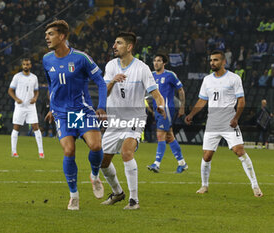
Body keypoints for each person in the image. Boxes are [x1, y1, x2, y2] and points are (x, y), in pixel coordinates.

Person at [42, 20, 107, 210]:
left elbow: (101, 83)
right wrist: (51, 108)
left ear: (62, 37)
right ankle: (74, 195)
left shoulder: (81, 58)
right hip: (62, 113)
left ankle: (94, 176)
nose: (47, 37)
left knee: (95, 146)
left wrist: (101, 107)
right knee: (69, 151)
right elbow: (51, 86)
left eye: (51, 34)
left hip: (81, 110)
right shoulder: (46, 59)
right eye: (46, 34)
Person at [100, 32, 166, 210]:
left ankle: (134, 200)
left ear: (129, 47)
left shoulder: (142, 68)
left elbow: (156, 94)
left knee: (126, 152)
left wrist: (161, 106)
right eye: (114, 42)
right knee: (102, 161)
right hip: (115, 120)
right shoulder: (111, 66)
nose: (114, 46)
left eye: (118, 43)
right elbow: (103, 93)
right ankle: (117, 193)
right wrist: (113, 81)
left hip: (134, 118)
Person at [185, 50, 263, 197]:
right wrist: (191, 114)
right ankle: (204, 185)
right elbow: (202, 100)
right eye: (211, 60)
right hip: (212, 123)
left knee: (239, 150)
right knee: (207, 156)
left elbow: (241, 100)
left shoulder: (234, 78)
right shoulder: (207, 80)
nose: (212, 63)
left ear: (223, 62)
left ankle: (255, 186)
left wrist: (236, 118)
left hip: (229, 122)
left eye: (215, 60)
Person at [147, 54, 188, 173]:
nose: (156, 63)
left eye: (159, 61)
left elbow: (180, 90)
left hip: (167, 109)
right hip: (157, 109)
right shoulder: (151, 75)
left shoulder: (170, 75)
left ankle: (156, 164)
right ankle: (182, 163)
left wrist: (182, 107)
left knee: (160, 135)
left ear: (164, 63)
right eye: (154, 60)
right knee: (170, 137)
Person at [8, 58, 44, 159]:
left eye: (27, 64)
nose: (25, 66)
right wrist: (16, 99)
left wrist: (35, 98)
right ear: (22, 66)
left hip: (31, 106)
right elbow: (10, 90)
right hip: (20, 106)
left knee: (36, 128)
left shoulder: (34, 78)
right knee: (16, 128)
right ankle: (14, 151)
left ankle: (41, 152)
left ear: (30, 65)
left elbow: (36, 91)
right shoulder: (17, 77)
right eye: (24, 64)